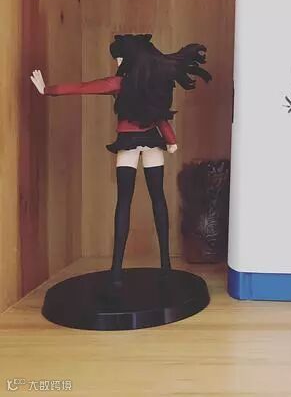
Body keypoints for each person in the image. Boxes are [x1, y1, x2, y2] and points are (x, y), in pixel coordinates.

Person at [31, 33, 212, 285]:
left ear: (129, 59)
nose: (117, 63)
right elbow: (160, 116)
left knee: (124, 202)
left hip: (128, 144)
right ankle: (165, 265)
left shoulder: (119, 83)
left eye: (119, 58)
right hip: (152, 143)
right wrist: (170, 139)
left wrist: (47, 90)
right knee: (158, 199)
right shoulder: (152, 82)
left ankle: (117, 269)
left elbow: (83, 87)